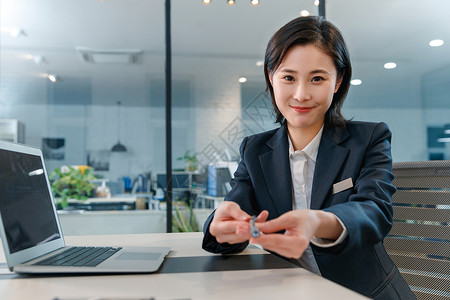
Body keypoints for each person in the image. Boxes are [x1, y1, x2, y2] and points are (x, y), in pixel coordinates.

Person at [202, 16, 416, 299]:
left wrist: (319, 221)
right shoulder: (254, 150)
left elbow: (375, 210)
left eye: (317, 78)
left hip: (364, 293)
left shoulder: (369, 139)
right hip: (288, 292)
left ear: (338, 81)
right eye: (288, 77)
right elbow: (233, 210)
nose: (301, 95)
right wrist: (222, 225)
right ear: (271, 77)